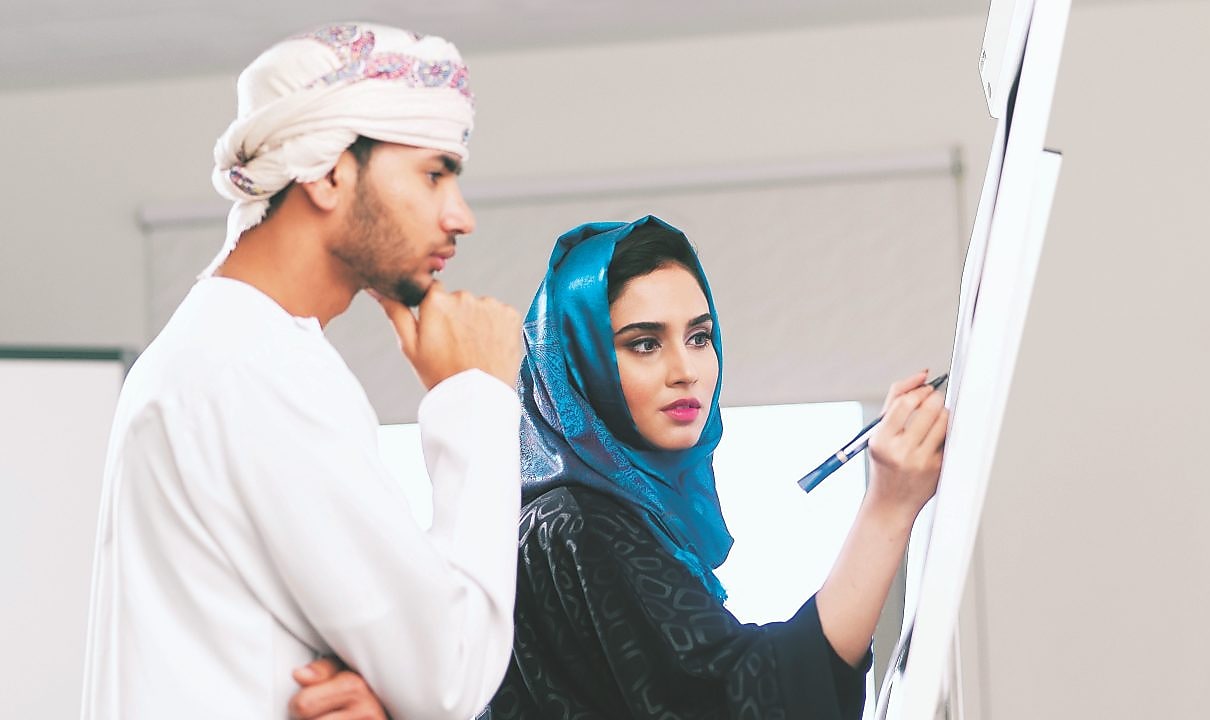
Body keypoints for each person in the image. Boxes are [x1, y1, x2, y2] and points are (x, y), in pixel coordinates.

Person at [81, 23, 523, 720]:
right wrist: (476, 396)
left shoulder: (227, 351)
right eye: (434, 174)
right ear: (327, 173)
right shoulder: (257, 371)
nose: (459, 217)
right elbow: (452, 672)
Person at [488, 215, 948, 717]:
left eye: (699, 337)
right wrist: (887, 507)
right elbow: (742, 696)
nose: (686, 371)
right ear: (580, 362)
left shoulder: (584, 513)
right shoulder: (574, 523)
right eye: (644, 343)